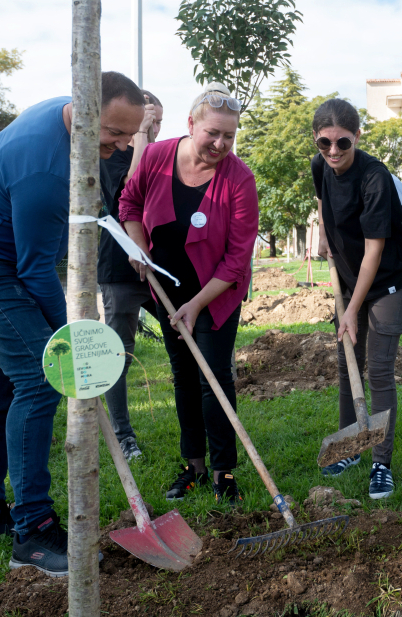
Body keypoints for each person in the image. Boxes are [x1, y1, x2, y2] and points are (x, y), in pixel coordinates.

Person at [0, 72, 146, 576]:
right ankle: (33, 532)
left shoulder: (61, 116)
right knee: (39, 382)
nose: (119, 146)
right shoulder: (47, 171)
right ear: (85, 110)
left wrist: (63, 336)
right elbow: (35, 270)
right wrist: (69, 340)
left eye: (128, 135)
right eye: (113, 132)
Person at [119, 83, 259, 505]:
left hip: (216, 292)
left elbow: (237, 260)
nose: (220, 143)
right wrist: (138, 245)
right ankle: (193, 466)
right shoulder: (158, 157)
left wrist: (197, 305)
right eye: (212, 133)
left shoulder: (239, 179)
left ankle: (224, 470)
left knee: (213, 375)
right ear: (191, 123)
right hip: (166, 287)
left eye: (229, 136)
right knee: (183, 375)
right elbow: (128, 202)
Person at [312, 98, 402, 499]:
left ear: (357, 137)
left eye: (342, 143)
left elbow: (374, 251)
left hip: (386, 280)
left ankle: (381, 463)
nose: (333, 152)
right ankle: (350, 447)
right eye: (324, 143)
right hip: (351, 278)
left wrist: (351, 309)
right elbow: (322, 199)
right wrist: (323, 234)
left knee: (379, 370)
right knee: (346, 362)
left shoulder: (374, 177)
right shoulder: (320, 165)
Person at [98, 89, 164, 461]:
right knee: (119, 355)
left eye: (158, 122)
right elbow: (126, 195)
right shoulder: (114, 154)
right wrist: (139, 141)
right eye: (147, 122)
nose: (153, 129)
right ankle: (124, 436)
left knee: (184, 335)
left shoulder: (165, 155)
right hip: (119, 270)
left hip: (158, 268)